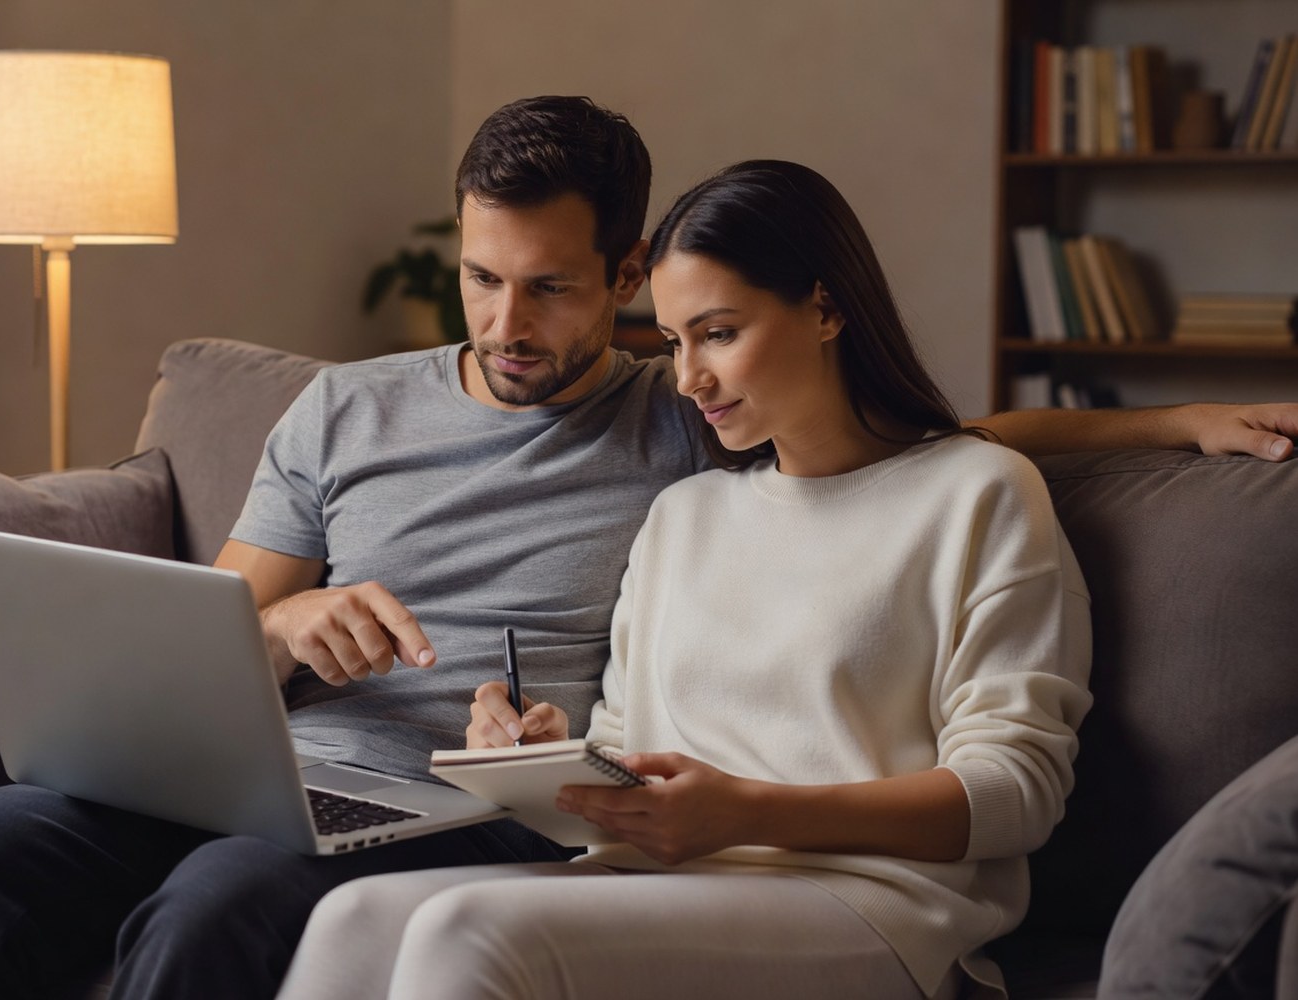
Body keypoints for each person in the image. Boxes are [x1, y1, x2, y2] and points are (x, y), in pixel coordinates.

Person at [0, 96, 1296, 1000]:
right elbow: (217, 633)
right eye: (481, 277)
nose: (503, 322)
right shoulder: (354, 412)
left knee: (225, 904)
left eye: (550, 290)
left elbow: (885, 451)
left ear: (620, 279)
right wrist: (290, 635)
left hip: (464, 811)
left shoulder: (680, 430)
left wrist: (1160, 423)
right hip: (285, 767)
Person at [281, 159, 1095, 1000]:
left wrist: (748, 811)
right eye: (673, 342)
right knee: (354, 917)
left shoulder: (978, 493)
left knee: (467, 930)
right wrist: (547, 757)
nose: (687, 379)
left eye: (719, 334)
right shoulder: (684, 514)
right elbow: (629, 743)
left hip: (868, 899)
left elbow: (1018, 793)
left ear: (825, 308)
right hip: (655, 876)